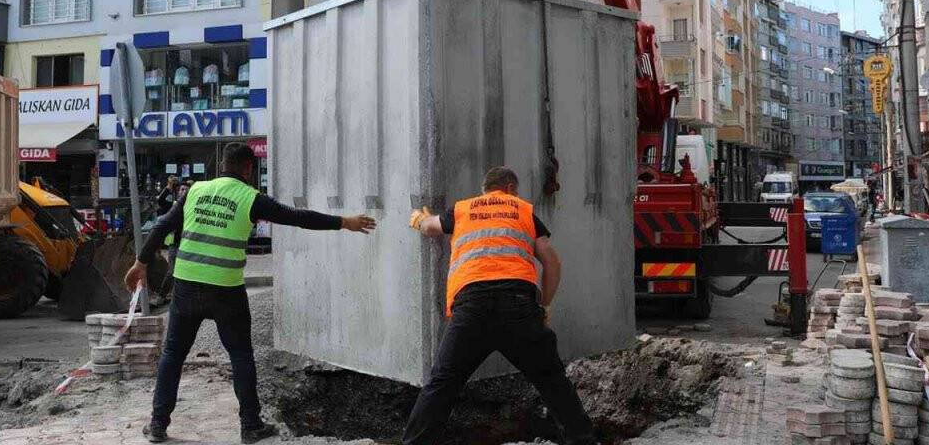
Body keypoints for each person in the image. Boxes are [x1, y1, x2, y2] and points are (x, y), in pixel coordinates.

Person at [124, 143, 375, 444]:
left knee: (173, 355)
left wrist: (140, 264)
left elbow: (162, 226)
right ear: (248, 169)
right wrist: (343, 222)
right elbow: (296, 217)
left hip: (187, 286)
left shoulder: (194, 191)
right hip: (226, 290)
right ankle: (250, 426)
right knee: (241, 355)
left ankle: (157, 425)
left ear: (222, 166)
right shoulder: (250, 198)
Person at [402, 167, 595, 445]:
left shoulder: (463, 209)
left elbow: (430, 227)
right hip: (518, 306)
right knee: (552, 380)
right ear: (509, 188)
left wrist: (419, 219)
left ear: (486, 189)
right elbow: (551, 261)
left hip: (471, 308)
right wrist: (544, 305)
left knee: (442, 383)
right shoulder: (523, 210)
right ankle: (583, 440)